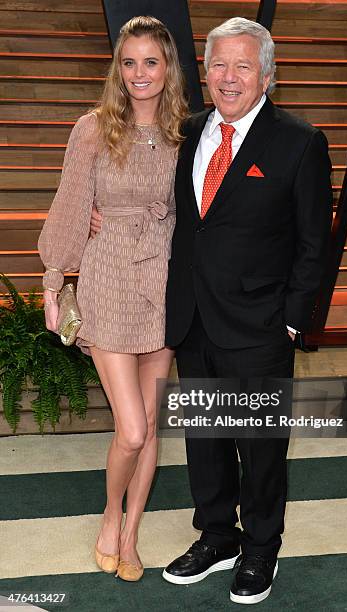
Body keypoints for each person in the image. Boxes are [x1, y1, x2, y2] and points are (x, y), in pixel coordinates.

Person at [91, 16, 332, 605]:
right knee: (205, 441)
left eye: (242, 65)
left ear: (267, 75)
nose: (228, 77)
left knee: (261, 447)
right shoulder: (187, 131)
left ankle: (261, 549)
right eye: (218, 64)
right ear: (204, 71)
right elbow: (156, 204)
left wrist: (294, 320)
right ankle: (216, 535)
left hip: (261, 326)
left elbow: (313, 243)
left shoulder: (299, 141)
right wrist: (107, 222)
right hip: (192, 320)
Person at [38, 16, 188, 582]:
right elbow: (73, 203)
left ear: (167, 67)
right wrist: (54, 280)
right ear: (117, 68)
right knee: (130, 428)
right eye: (129, 62)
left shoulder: (186, 133)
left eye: (150, 61)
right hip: (107, 282)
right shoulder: (93, 128)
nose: (139, 73)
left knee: (150, 426)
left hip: (164, 286)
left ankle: (130, 533)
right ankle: (108, 515)